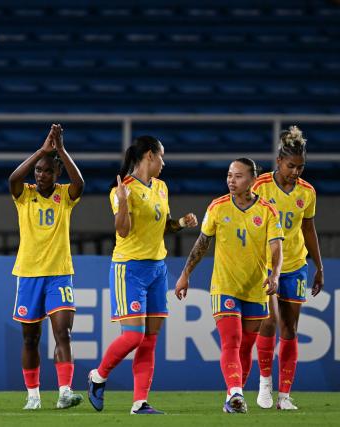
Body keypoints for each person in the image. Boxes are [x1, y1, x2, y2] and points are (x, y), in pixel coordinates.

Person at [87, 136, 198, 415]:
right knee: (134, 337)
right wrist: (123, 202)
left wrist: (181, 223)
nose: (164, 162)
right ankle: (98, 376)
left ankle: (140, 402)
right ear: (149, 155)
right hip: (130, 269)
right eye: (162, 156)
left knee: (150, 339)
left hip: (157, 269)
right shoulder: (122, 190)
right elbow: (122, 230)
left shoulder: (161, 187)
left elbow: (163, 226)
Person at [175, 158, 284, 414]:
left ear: (253, 180)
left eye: (238, 176)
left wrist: (275, 275)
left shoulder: (268, 211)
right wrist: (185, 274)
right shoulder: (217, 207)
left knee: (246, 346)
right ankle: (236, 392)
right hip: (224, 286)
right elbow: (202, 244)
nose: (231, 181)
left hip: (256, 288)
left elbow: (277, 248)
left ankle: (232, 397)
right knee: (231, 341)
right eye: (229, 175)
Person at [9, 124, 85, 410]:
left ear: (57, 174)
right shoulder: (24, 194)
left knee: (63, 333)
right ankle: (33, 395)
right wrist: (42, 151)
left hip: (59, 274)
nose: (41, 175)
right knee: (31, 339)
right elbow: (12, 178)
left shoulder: (65, 196)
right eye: (38, 171)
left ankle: (65, 391)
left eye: (47, 171)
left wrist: (61, 151)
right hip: (28, 275)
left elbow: (81, 184)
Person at [252, 126, 323, 410]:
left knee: (290, 329)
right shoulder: (260, 186)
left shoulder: (307, 192)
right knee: (268, 322)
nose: (296, 172)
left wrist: (318, 266)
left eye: (301, 167)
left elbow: (308, 228)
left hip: (295, 266)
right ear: (279, 161)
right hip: (267, 268)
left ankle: (284, 395)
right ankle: (265, 386)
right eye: (291, 166)